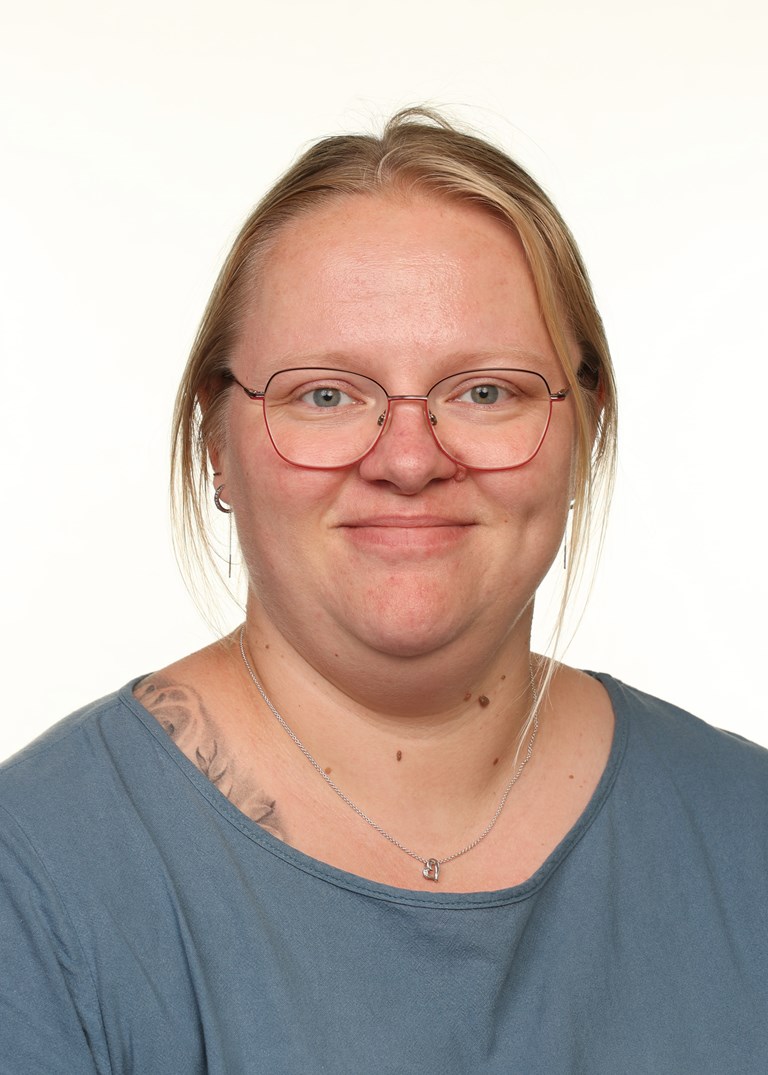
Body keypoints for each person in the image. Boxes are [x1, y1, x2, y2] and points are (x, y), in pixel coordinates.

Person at [1, 108, 766, 1075]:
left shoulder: (747, 832)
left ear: (584, 433)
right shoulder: (35, 877)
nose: (408, 460)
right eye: (325, 394)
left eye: (486, 391)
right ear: (215, 443)